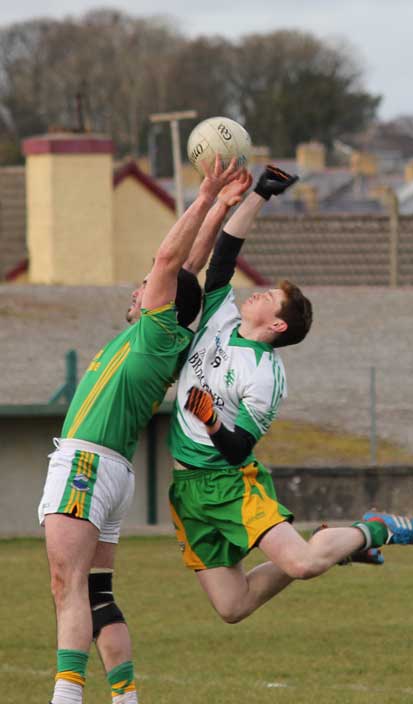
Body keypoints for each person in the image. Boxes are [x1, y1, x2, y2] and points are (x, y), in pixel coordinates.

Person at [168, 165, 413, 624]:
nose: (259, 294)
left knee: (303, 564)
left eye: (270, 297)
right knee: (233, 606)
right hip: (187, 489)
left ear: (277, 325)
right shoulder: (221, 316)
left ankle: (373, 529)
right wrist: (260, 195)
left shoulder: (265, 376)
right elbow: (225, 255)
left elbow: (239, 451)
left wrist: (212, 420)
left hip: (227, 483)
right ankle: (333, 546)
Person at [38, 156, 252, 704]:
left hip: (86, 463)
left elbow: (169, 259)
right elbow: (186, 269)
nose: (139, 289)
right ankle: (126, 698)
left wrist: (204, 196)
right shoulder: (170, 332)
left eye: (145, 286)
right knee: (96, 594)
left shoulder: (156, 330)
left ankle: (65, 699)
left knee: (66, 590)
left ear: (157, 302)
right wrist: (223, 209)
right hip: (114, 472)